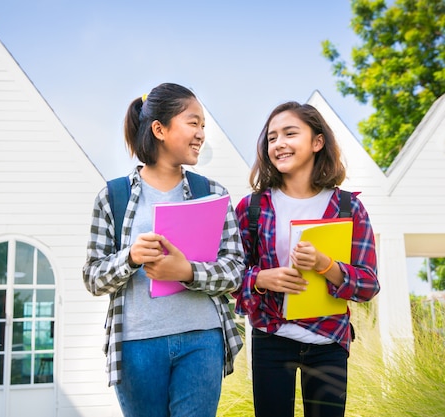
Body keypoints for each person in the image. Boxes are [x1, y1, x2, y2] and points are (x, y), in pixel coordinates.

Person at [83, 82, 244, 417]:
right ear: (159, 128)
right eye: (193, 122)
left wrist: (187, 272)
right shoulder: (112, 197)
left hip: (202, 341)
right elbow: (93, 277)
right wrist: (129, 258)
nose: (201, 133)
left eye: (204, 126)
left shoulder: (213, 194)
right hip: (137, 346)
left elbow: (235, 271)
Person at [234, 101, 380, 417]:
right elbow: (230, 273)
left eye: (290, 133)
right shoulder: (252, 208)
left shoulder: (348, 208)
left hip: (329, 341)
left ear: (317, 142)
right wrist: (260, 279)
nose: (279, 144)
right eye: (272, 138)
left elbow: (368, 284)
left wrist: (326, 266)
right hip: (271, 338)